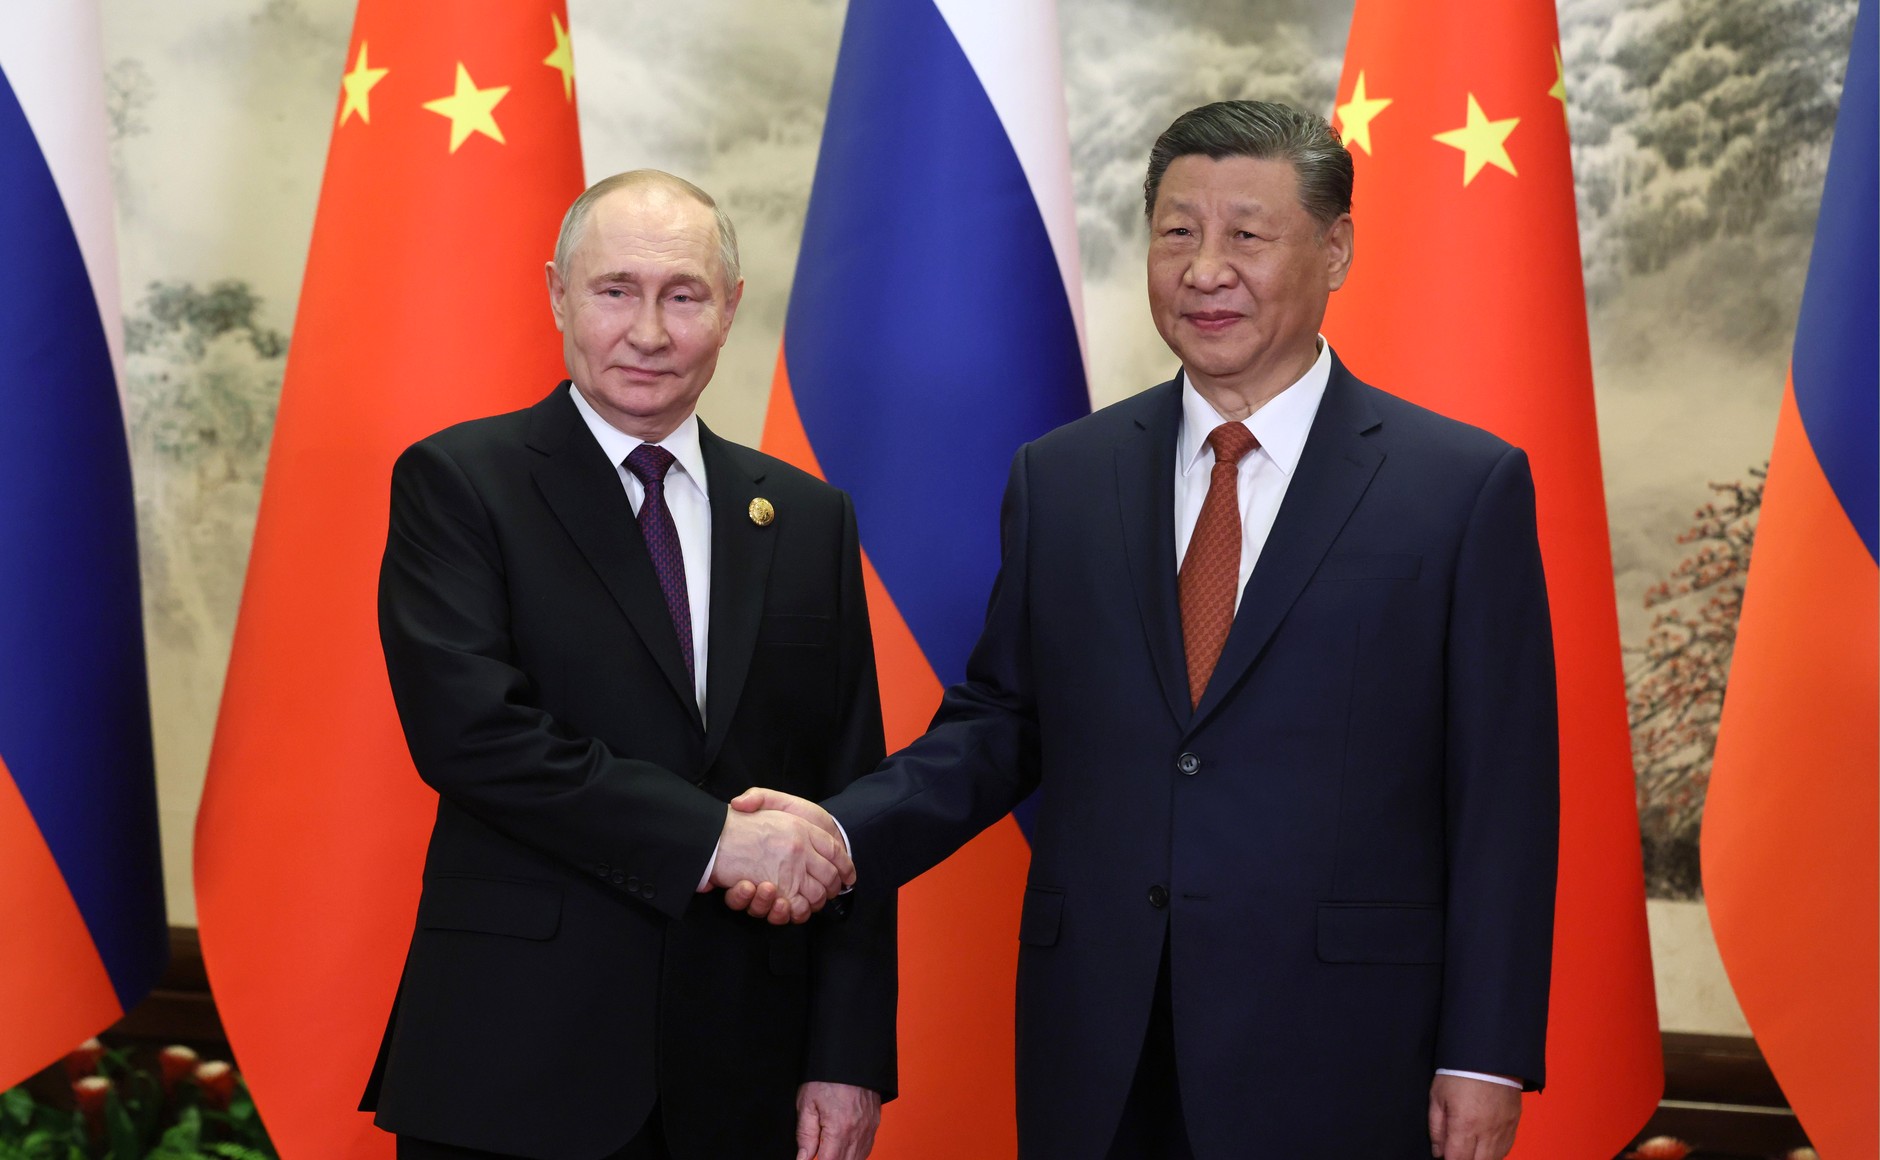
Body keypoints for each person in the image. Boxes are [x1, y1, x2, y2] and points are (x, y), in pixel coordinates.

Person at [732, 101, 1559, 1159]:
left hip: (1344, 1047)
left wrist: (1484, 1052)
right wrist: (841, 833)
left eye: (1246, 234)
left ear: (1336, 248)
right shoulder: (1065, 476)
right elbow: (998, 725)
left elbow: (1501, 793)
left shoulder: (1457, 487)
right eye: (1177, 232)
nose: (1205, 269)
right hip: (1100, 1040)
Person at [361, 170, 896, 1160]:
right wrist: (714, 839)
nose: (648, 331)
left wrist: (847, 1053)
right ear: (558, 294)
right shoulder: (461, 483)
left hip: (746, 1067)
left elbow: (849, 796)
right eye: (615, 290)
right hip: (516, 1061)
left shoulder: (807, 516)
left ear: (729, 308)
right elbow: (472, 736)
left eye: (682, 295)